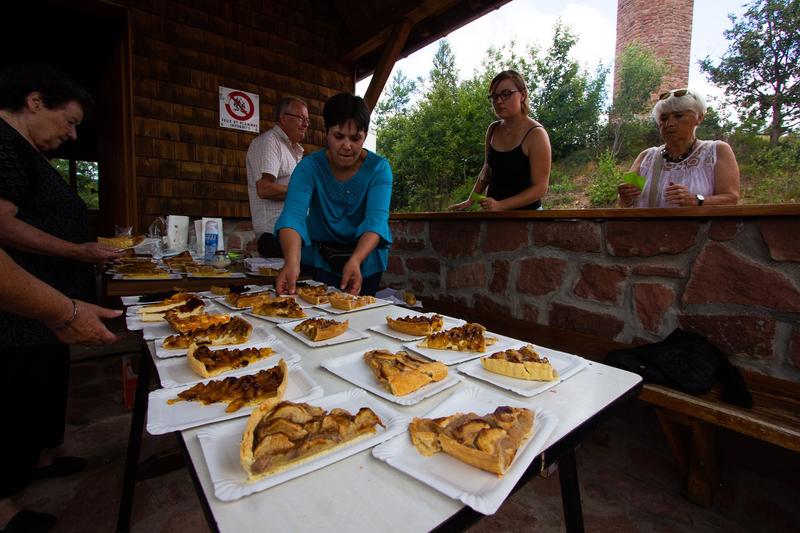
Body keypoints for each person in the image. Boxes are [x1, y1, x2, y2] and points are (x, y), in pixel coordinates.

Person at [0, 64, 123, 533]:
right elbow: (3, 223)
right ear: (34, 102)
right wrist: (76, 251)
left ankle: (36, 460)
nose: (72, 135)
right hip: (17, 305)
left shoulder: (24, 150)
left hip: (44, 298)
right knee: (13, 392)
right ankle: (3, 505)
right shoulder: (4, 144)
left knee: (39, 384)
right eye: (69, 121)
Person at [274, 93, 392, 297]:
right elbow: (292, 216)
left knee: (361, 314)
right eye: (339, 136)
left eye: (355, 138)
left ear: (365, 135)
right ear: (326, 133)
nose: (347, 145)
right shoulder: (309, 167)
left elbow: (376, 220)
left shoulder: (379, 169)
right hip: (320, 259)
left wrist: (356, 259)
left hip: (365, 260)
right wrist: (292, 262)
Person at [617, 88, 740, 207]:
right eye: (664, 118)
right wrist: (624, 196)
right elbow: (623, 203)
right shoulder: (645, 157)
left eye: (679, 116)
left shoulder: (717, 151)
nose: (669, 123)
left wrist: (696, 200)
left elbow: (731, 198)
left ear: (699, 118)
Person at [450, 70, 551, 211]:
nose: (498, 101)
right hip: (495, 217)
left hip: (527, 218)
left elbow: (540, 188)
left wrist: (501, 205)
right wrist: (471, 199)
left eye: (506, 94)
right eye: (494, 96)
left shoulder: (536, 134)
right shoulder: (493, 129)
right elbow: (487, 170)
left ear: (523, 95)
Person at [246, 96, 309, 258]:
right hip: (274, 235)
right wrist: (304, 192)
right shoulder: (270, 142)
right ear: (283, 118)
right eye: (301, 118)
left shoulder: (293, 150)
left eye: (307, 120)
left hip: (292, 232)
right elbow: (264, 189)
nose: (305, 124)